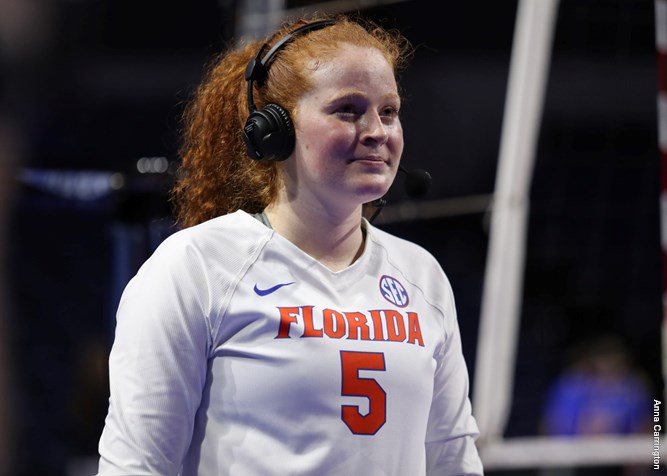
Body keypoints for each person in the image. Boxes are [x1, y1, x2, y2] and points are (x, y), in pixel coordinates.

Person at [96, 13, 483, 475]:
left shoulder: (421, 275)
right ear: (273, 131)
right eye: (348, 110)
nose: (378, 131)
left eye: (389, 112)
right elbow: (136, 465)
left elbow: (453, 462)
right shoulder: (196, 267)